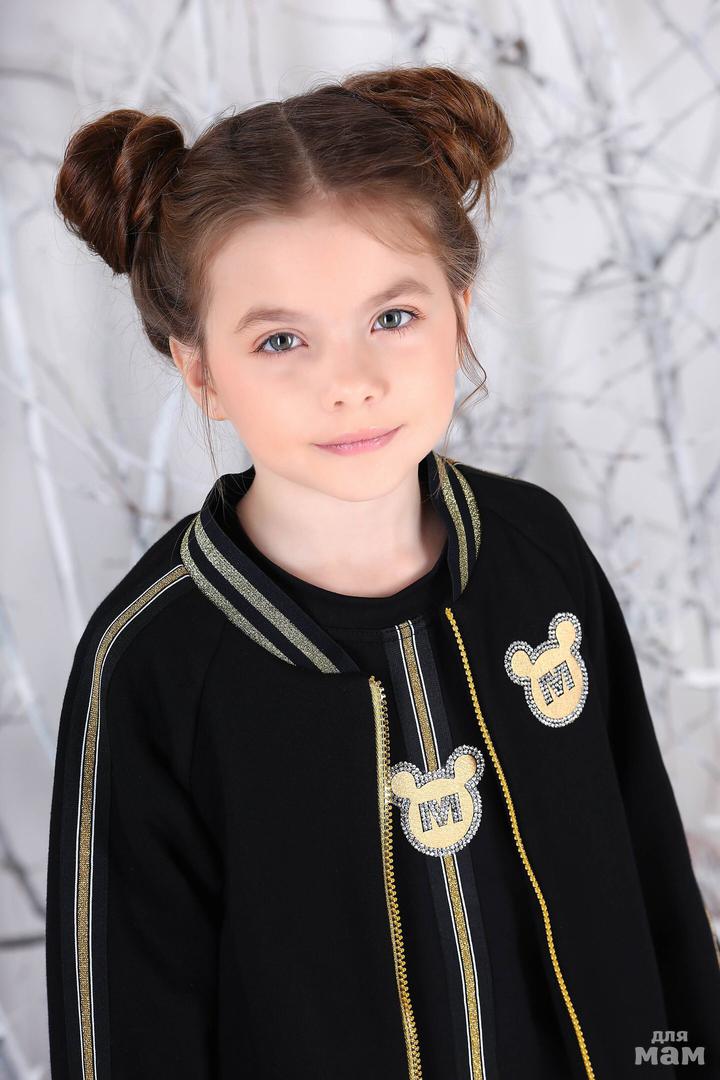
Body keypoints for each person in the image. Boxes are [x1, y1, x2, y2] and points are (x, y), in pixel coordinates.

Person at [45, 65, 720, 1080]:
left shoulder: (537, 551)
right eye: (281, 339)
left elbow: (653, 878)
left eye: (392, 318)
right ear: (201, 369)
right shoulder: (150, 664)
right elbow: (125, 1032)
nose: (350, 383)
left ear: (459, 309)